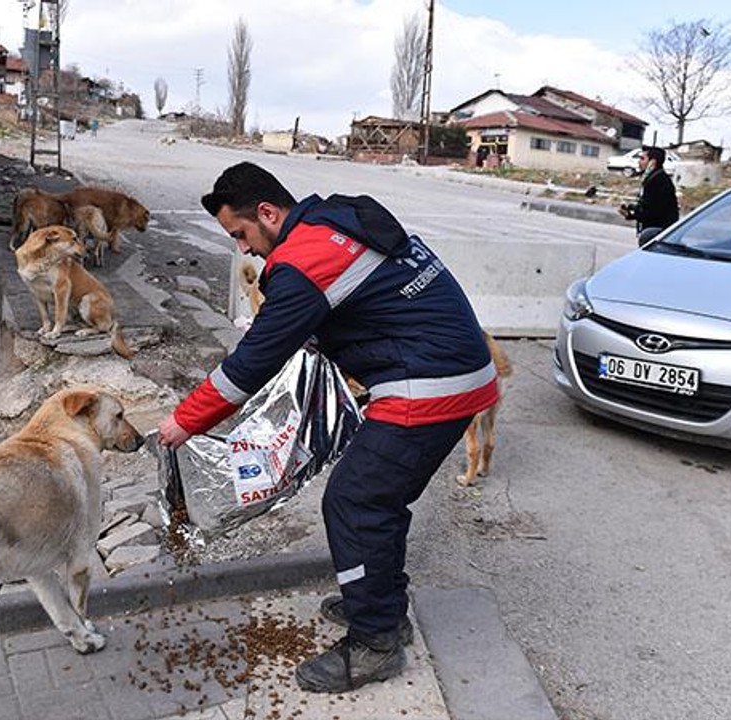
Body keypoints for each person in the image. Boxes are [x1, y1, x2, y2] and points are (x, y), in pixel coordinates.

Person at [156, 162, 500, 693]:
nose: (244, 250)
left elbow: (252, 362)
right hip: (455, 370)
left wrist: (184, 421)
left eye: (241, 234)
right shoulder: (337, 220)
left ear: (267, 213)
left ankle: (375, 643)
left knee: (355, 502)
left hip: (430, 384)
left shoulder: (305, 260)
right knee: (378, 499)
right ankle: (382, 605)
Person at [618, 146, 679, 246]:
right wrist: (630, 210)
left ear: (652, 162)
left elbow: (652, 213)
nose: (639, 162)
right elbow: (647, 206)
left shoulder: (658, 181)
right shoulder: (652, 178)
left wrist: (632, 215)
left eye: (642, 159)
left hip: (658, 234)